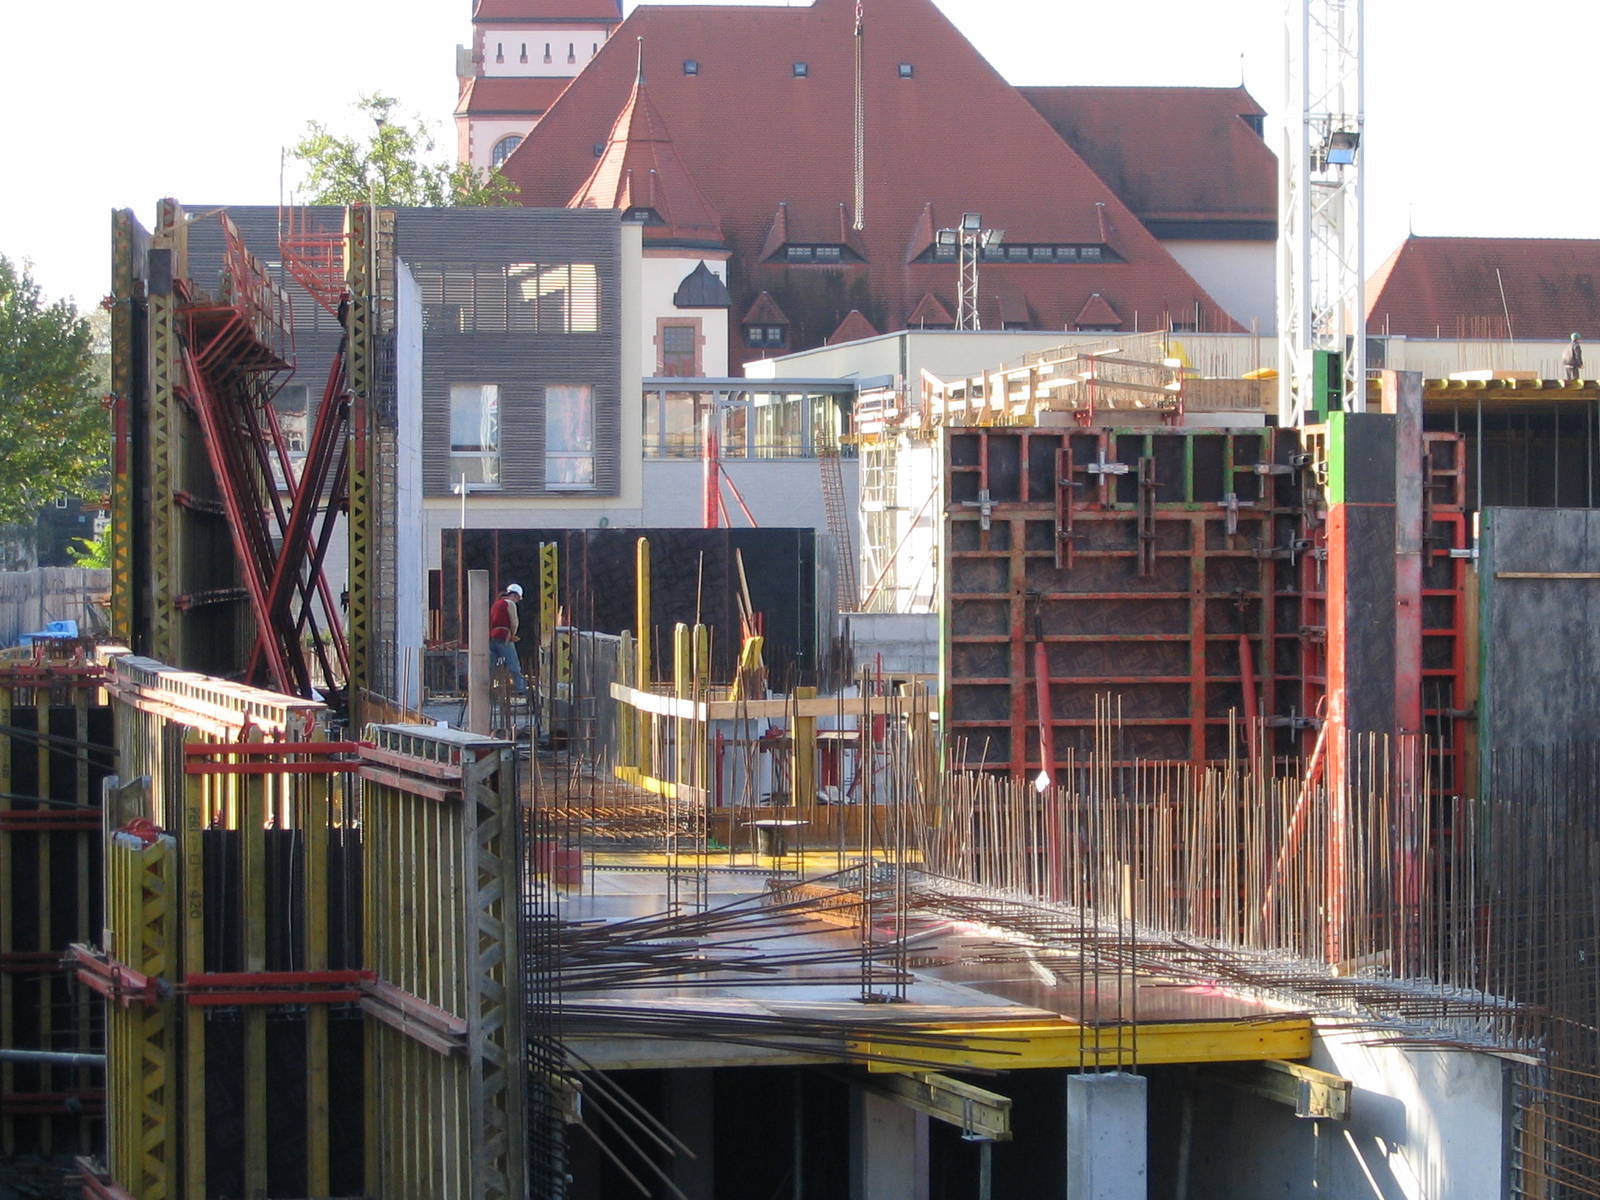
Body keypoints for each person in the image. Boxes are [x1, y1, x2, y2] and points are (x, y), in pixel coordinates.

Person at [488, 583, 528, 694]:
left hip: (492, 637)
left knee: (491, 666)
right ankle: (521, 688)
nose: (517, 601)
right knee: (513, 664)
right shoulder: (510, 604)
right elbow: (514, 622)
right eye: (518, 598)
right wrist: (513, 635)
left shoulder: (496, 604)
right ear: (514, 595)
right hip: (504, 637)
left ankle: (486, 688)